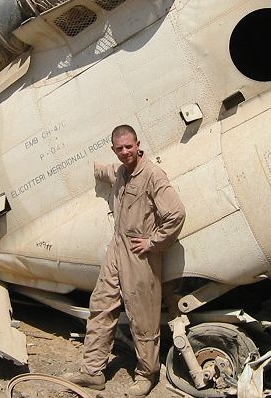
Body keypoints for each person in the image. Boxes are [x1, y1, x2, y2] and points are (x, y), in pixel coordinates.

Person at [63, 125, 186, 397]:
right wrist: (92, 167)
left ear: (138, 144)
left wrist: (153, 242)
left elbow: (176, 213)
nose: (125, 152)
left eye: (129, 146)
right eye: (119, 149)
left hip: (139, 254)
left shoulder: (153, 175)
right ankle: (92, 371)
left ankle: (146, 374)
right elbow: (107, 171)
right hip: (116, 249)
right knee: (101, 305)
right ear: (114, 150)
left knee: (142, 316)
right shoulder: (120, 171)